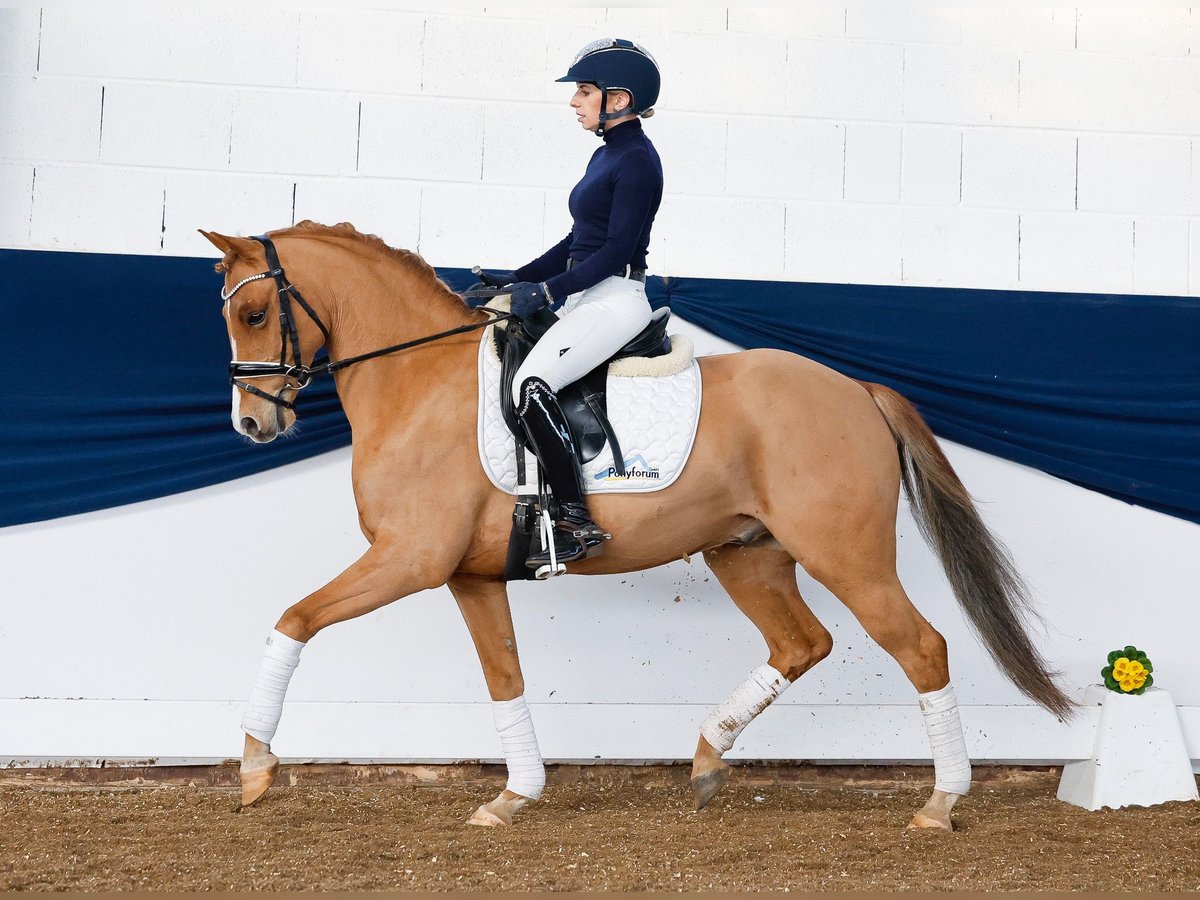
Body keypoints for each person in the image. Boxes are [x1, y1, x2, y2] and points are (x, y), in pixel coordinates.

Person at [474, 38, 664, 570]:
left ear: (620, 98)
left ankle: (574, 518)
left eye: (585, 91)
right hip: (586, 295)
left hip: (615, 297)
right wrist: (517, 278)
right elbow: (575, 242)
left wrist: (550, 291)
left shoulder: (639, 161)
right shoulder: (606, 155)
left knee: (532, 384)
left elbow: (616, 251)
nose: (575, 102)